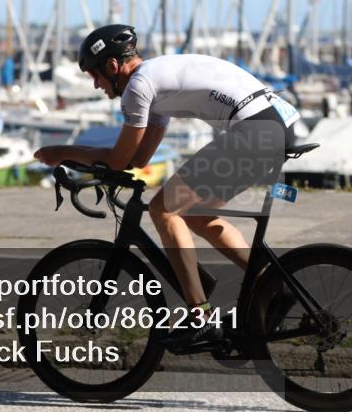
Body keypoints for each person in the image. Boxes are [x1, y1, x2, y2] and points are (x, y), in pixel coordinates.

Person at [34, 24, 300, 349]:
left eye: (95, 75)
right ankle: (271, 283)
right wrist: (95, 167)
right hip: (273, 125)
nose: (96, 84)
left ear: (113, 66)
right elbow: (139, 157)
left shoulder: (138, 87)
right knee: (194, 215)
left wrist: (63, 152)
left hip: (255, 129)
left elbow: (120, 159)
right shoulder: (155, 84)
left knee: (164, 209)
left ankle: (200, 317)